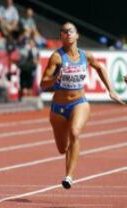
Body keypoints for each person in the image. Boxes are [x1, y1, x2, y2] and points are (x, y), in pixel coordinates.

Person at [40, 22, 125, 189]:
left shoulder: (86, 56)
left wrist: (111, 90)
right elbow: (43, 83)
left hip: (79, 103)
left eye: (71, 31)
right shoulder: (57, 57)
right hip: (58, 108)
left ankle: (69, 176)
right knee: (62, 148)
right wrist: (54, 80)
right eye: (64, 32)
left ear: (77, 35)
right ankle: (68, 162)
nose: (68, 33)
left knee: (75, 132)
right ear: (61, 37)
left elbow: (100, 68)